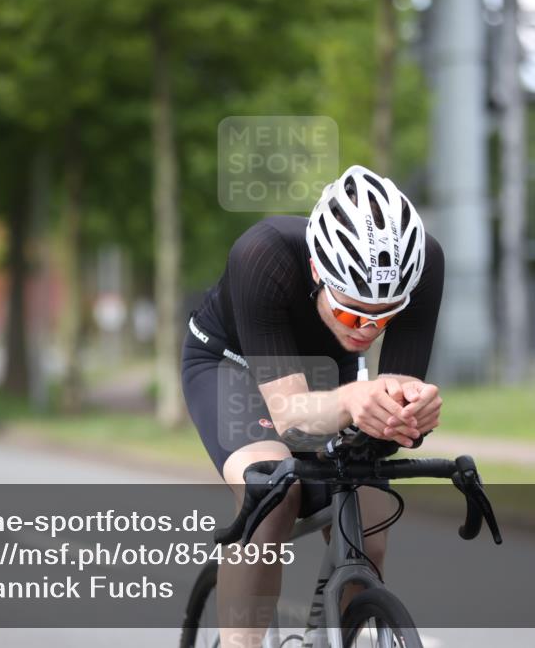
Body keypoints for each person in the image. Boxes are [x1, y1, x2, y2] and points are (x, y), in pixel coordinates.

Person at [181, 165, 445, 647]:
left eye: (384, 317)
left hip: (328, 369)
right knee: (274, 494)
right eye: (350, 311)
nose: (365, 330)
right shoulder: (262, 255)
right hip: (229, 364)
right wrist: (353, 399)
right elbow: (292, 414)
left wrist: (409, 416)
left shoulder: (423, 264)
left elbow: (394, 393)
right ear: (317, 271)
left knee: (370, 523)